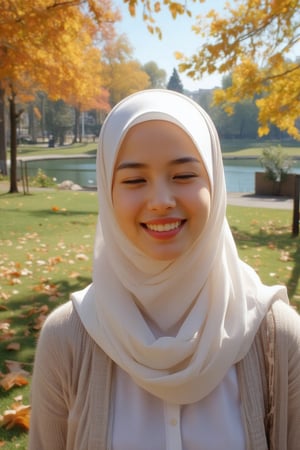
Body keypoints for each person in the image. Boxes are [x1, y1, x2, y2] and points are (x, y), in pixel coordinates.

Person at [29, 89, 300, 450]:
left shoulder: (277, 339)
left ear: (214, 184)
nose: (160, 202)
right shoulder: (67, 339)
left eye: (184, 175)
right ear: (108, 195)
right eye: (134, 180)